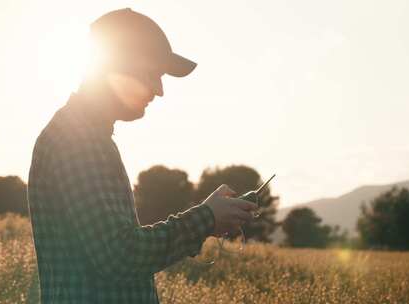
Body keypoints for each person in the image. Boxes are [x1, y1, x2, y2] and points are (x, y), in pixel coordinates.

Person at [27, 8, 258, 304]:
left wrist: (207, 218)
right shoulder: (77, 139)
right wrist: (207, 218)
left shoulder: (86, 136)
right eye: (154, 74)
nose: (159, 90)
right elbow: (119, 255)